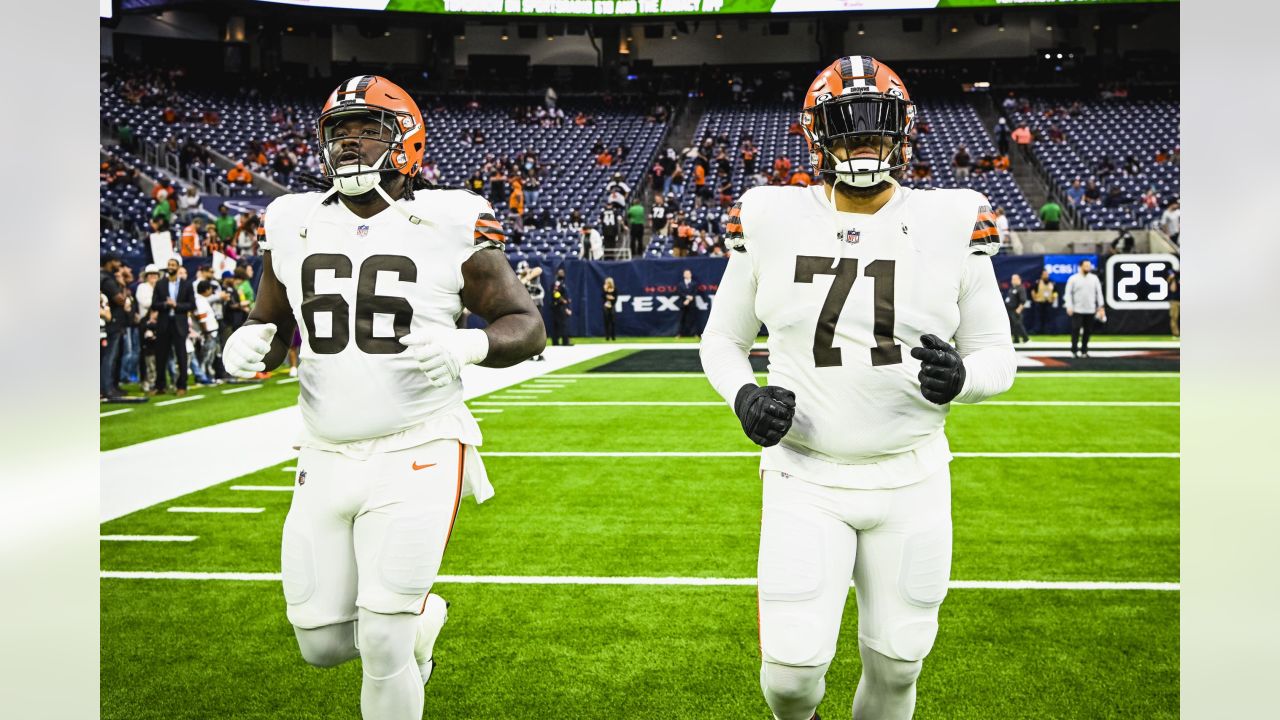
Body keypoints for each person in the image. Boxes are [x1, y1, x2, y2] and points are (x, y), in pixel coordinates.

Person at [216, 75, 545, 720]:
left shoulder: (447, 219)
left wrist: (470, 347)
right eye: (340, 131)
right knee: (323, 643)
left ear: (406, 140)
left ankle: (403, 627)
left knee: (381, 638)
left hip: (419, 444)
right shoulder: (293, 220)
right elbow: (272, 316)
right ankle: (425, 619)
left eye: (368, 129)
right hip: (324, 450)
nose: (351, 143)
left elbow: (524, 322)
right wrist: (246, 340)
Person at [700, 56, 1015, 720]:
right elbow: (722, 341)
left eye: (878, 129)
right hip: (804, 476)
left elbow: (997, 356)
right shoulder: (770, 215)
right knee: (790, 678)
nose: (865, 144)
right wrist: (743, 396)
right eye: (848, 129)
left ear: (903, 134)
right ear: (816, 136)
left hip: (913, 477)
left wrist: (962, 381)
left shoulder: (953, 218)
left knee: (899, 666)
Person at [150, 257, 195, 395]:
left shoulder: (186, 285)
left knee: (181, 356)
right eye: (169, 264)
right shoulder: (160, 284)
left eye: (173, 265)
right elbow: (154, 304)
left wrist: (176, 305)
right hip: (163, 323)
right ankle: (160, 386)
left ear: (178, 267)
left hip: (179, 324)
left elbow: (192, 305)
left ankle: (182, 385)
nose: (170, 266)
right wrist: (165, 304)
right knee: (161, 356)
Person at [100, 253, 129, 400]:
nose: (119, 265)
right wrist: (122, 286)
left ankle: (110, 387)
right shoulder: (106, 279)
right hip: (111, 323)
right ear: (110, 262)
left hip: (106, 323)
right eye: (116, 262)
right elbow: (120, 300)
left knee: (108, 357)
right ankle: (106, 388)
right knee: (108, 358)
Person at [1064, 259, 1106, 357]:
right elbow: (1068, 294)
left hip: (1090, 309)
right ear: (1081, 266)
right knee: (1076, 329)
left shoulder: (1094, 278)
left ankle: (1084, 350)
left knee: (1087, 331)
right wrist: (1069, 306)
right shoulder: (1073, 278)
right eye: (1086, 265)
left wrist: (1101, 306)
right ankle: (1074, 350)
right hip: (1077, 309)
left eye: (1089, 266)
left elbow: (1099, 293)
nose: (1088, 267)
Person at [515, 260, 546, 361]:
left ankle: (540, 353)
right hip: (527, 306)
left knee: (538, 329)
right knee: (529, 330)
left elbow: (539, 269)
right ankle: (531, 353)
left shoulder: (532, 274)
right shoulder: (520, 278)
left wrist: (528, 276)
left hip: (537, 304)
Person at [1005, 273, 1030, 343]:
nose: (1012, 281)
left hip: (1015, 310)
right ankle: (1016, 339)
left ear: (1019, 279)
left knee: (1018, 324)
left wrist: (1018, 310)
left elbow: (1023, 300)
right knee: (1012, 326)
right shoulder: (1012, 288)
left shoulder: (1021, 288)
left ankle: (1026, 339)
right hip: (1009, 310)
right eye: (1012, 279)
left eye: (1014, 279)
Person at [1031, 269, 1058, 334]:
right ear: (1041, 275)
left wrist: (1053, 298)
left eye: (1047, 274)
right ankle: (1037, 331)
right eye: (1044, 274)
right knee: (1038, 318)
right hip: (1039, 302)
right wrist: (1035, 299)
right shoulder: (1037, 282)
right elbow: (1033, 291)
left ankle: (1049, 331)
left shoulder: (1052, 282)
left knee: (1049, 318)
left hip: (1048, 303)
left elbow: (1055, 292)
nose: (1046, 275)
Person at [550, 267, 572, 345]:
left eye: (563, 272)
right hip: (558, 306)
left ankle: (556, 342)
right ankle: (564, 342)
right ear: (557, 274)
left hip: (560, 306)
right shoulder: (557, 282)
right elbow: (555, 293)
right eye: (560, 273)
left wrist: (567, 300)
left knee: (559, 324)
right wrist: (563, 300)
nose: (562, 274)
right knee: (562, 324)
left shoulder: (562, 282)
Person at [677, 269, 698, 338]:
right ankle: (680, 334)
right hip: (683, 303)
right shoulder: (680, 284)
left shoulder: (694, 283)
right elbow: (680, 292)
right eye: (685, 274)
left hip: (692, 304)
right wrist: (686, 298)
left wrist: (689, 300)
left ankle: (694, 334)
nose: (687, 275)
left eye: (688, 273)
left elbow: (694, 292)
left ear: (690, 274)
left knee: (693, 319)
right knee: (681, 319)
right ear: (683, 275)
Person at [602, 277, 618, 341]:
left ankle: (613, 336)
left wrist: (612, 299)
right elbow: (603, 297)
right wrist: (605, 291)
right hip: (606, 306)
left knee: (612, 322)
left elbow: (615, 298)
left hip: (612, 306)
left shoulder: (615, 289)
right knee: (606, 322)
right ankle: (607, 336)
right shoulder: (604, 289)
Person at [1167, 270, 1179, 337]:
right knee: (1174, 317)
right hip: (1175, 301)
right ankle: (1175, 334)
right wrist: (1173, 279)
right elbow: (1173, 289)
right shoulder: (1174, 274)